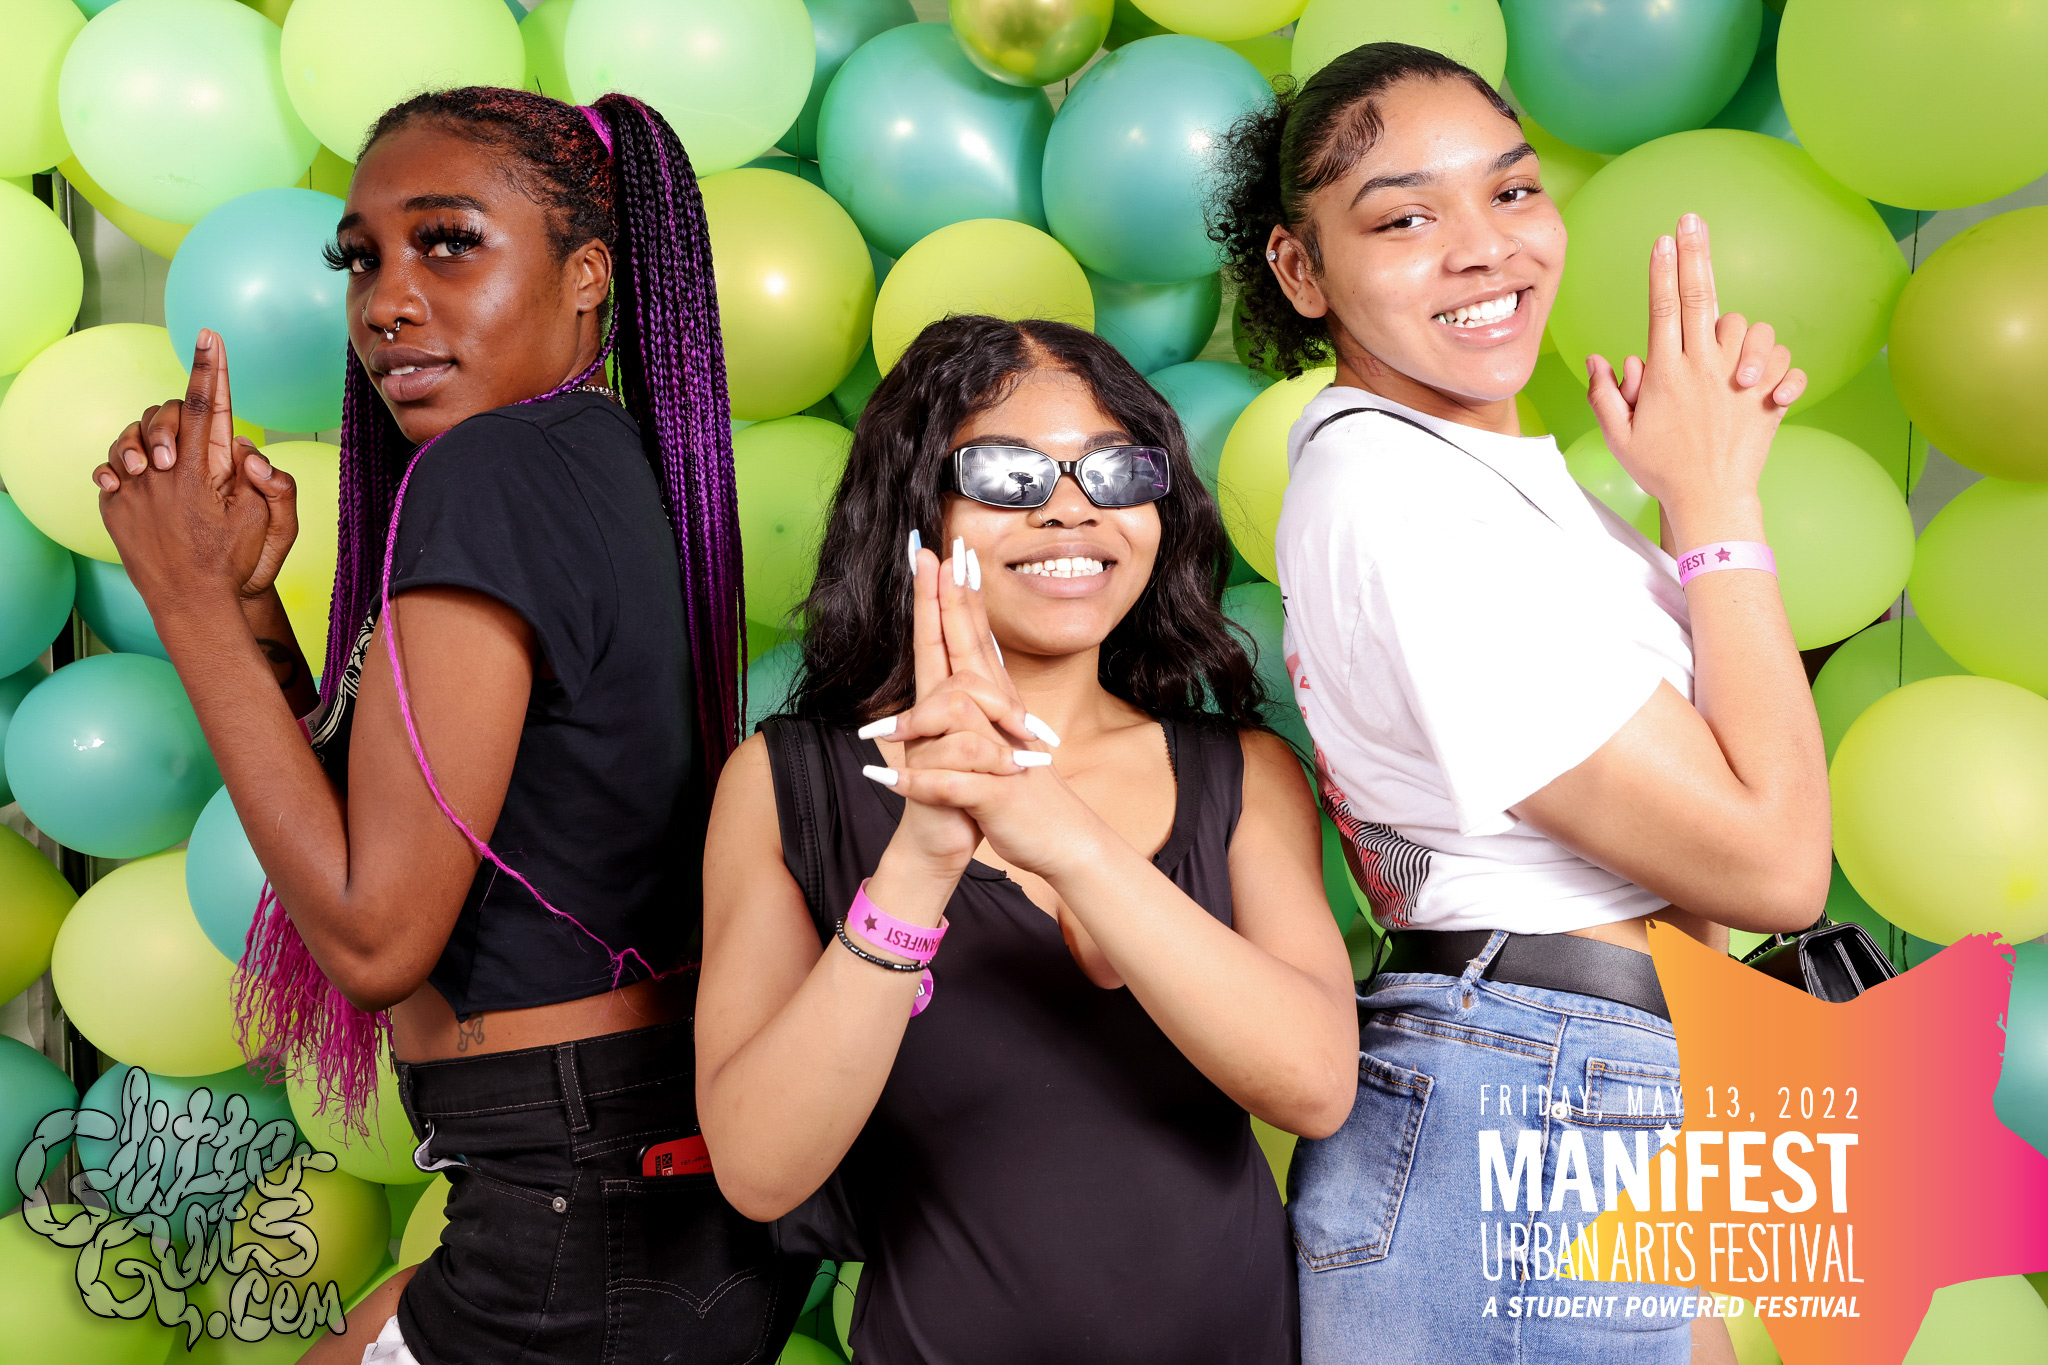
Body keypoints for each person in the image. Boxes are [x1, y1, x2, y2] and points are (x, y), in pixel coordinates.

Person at [94, 88, 809, 1365]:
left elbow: (375, 939)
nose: (387, 302)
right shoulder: (595, 456)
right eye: (360, 261)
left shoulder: (492, 471)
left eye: (447, 243)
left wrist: (185, 602)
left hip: (582, 1204)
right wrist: (248, 607)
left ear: (587, 275)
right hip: (615, 1190)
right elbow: (400, 819)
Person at [1210, 43, 1832, 1365]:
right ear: (1300, 271)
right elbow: (1773, 864)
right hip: (1533, 1081)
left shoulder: (1466, 482)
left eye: (1510, 191)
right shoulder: (1400, 500)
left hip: (1573, 1076)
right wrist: (1717, 507)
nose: (1484, 247)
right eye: (1403, 219)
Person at [696, 315, 1358, 1364]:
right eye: (1007, 476)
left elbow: (1313, 1084)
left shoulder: (1243, 773)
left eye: (1115, 470)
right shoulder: (786, 786)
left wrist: (1065, 838)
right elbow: (759, 1169)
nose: (1069, 507)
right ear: (917, 507)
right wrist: (919, 860)